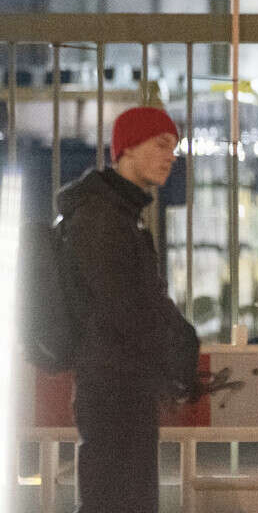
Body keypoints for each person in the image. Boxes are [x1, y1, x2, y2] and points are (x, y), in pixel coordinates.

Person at [59, 105, 199, 513]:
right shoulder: (103, 217)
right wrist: (173, 353)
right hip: (112, 383)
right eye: (160, 144)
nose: (170, 155)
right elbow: (125, 305)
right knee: (116, 499)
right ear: (127, 149)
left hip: (122, 380)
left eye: (174, 146)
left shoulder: (122, 213)